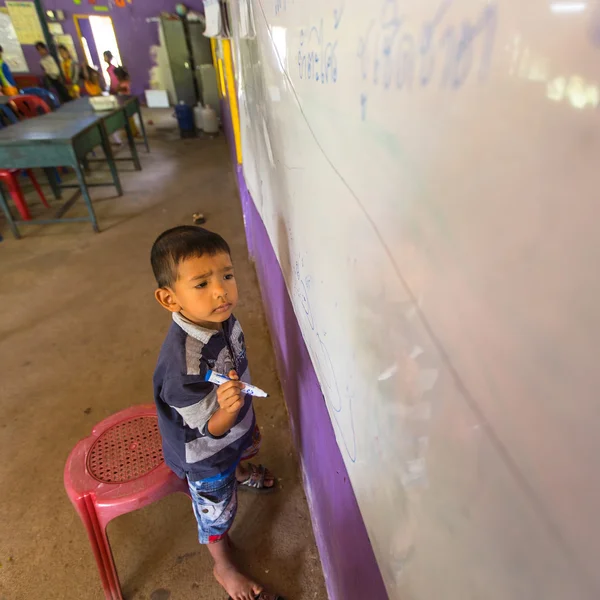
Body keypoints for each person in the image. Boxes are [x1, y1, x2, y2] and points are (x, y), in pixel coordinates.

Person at [151, 226, 282, 600]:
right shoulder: (182, 366)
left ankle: (239, 469)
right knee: (215, 510)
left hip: (235, 421)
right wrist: (228, 410)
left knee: (240, 451)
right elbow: (208, 426)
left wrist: (233, 410)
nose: (221, 290)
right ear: (169, 299)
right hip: (204, 451)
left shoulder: (221, 317)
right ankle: (223, 564)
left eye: (226, 275)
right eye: (202, 283)